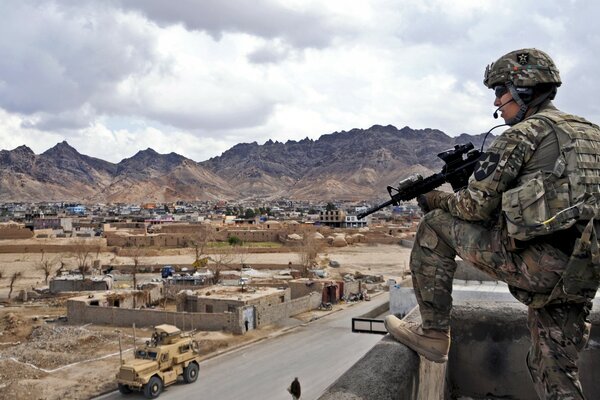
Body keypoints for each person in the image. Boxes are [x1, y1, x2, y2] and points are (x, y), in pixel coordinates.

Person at [384, 48, 600, 399]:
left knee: (435, 225)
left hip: (541, 266)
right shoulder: (592, 133)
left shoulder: (523, 134)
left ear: (523, 90)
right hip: (583, 269)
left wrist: (434, 198)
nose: (497, 103)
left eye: (500, 92)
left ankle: (434, 334)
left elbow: (472, 206)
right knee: (554, 370)